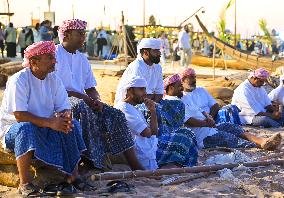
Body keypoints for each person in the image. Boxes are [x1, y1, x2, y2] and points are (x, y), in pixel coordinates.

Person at [0, 41, 87, 196]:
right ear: (34, 62)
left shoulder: (54, 79)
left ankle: (72, 175)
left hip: (45, 125)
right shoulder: (19, 80)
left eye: (53, 56)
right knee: (26, 128)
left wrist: (65, 116)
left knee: (71, 124)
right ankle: (25, 183)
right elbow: (19, 115)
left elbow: (63, 106)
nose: (54, 61)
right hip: (14, 128)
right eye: (49, 57)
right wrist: (51, 122)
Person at [55, 19, 143, 170]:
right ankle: (92, 160)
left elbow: (90, 88)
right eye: (80, 34)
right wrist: (84, 98)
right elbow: (54, 89)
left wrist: (96, 100)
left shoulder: (82, 59)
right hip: (59, 102)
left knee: (116, 114)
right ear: (67, 35)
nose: (84, 38)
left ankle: (134, 164)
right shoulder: (53, 55)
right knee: (81, 106)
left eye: (84, 34)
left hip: (82, 100)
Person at [163, 73, 282, 151]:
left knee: (231, 127)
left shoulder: (182, 97)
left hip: (208, 126)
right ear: (170, 88)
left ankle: (261, 140)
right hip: (202, 135)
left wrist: (208, 117)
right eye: (179, 86)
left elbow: (199, 110)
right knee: (229, 138)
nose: (181, 88)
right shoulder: (172, 103)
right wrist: (206, 123)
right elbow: (188, 121)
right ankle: (260, 145)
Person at [115, 76, 158, 170]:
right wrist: (149, 130)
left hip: (145, 154)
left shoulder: (133, 108)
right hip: (136, 157)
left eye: (145, 89)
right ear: (130, 91)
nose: (145, 93)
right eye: (141, 89)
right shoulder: (124, 108)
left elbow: (154, 133)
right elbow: (146, 133)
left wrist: (153, 111)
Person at [115, 38, 164, 104]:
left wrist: (153, 105)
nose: (159, 53)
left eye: (159, 51)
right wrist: (152, 99)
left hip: (150, 103)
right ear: (146, 53)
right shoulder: (137, 66)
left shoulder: (158, 67)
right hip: (131, 105)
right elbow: (139, 96)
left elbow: (160, 93)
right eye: (156, 51)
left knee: (176, 104)